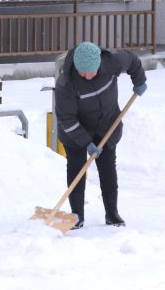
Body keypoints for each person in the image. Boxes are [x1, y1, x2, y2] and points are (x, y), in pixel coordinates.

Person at [54, 41, 147, 230]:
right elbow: (67, 119)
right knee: (76, 168)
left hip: (106, 125)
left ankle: (112, 213)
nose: (87, 76)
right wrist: (87, 143)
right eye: (83, 72)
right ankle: (76, 216)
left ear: (99, 64)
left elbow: (133, 61)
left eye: (91, 71)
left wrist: (139, 81)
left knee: (107, 168)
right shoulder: (66, 84)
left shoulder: (112, 62)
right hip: (75, 131)